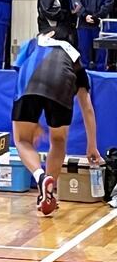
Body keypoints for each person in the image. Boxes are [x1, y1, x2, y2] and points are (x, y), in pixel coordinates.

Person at [12, 27, 101, 216]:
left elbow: (21, 75)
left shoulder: (32, 44)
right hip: (62, 83)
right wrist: (92, 146)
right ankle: (48, 193)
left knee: (22, 140)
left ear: (50, 34)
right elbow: (87, 107)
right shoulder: (74, 56)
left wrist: (33, 123)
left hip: (29, 85)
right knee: (59, 141)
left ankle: (40, 177)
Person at [76, 0, 114, 71]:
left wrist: (97, 16)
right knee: (83, 50)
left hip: (99, 25)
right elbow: (77, 3)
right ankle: (85, 75)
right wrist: (84, 15)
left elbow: (109, 2)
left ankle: (101, 72)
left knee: (101, 52)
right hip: (83, 25)